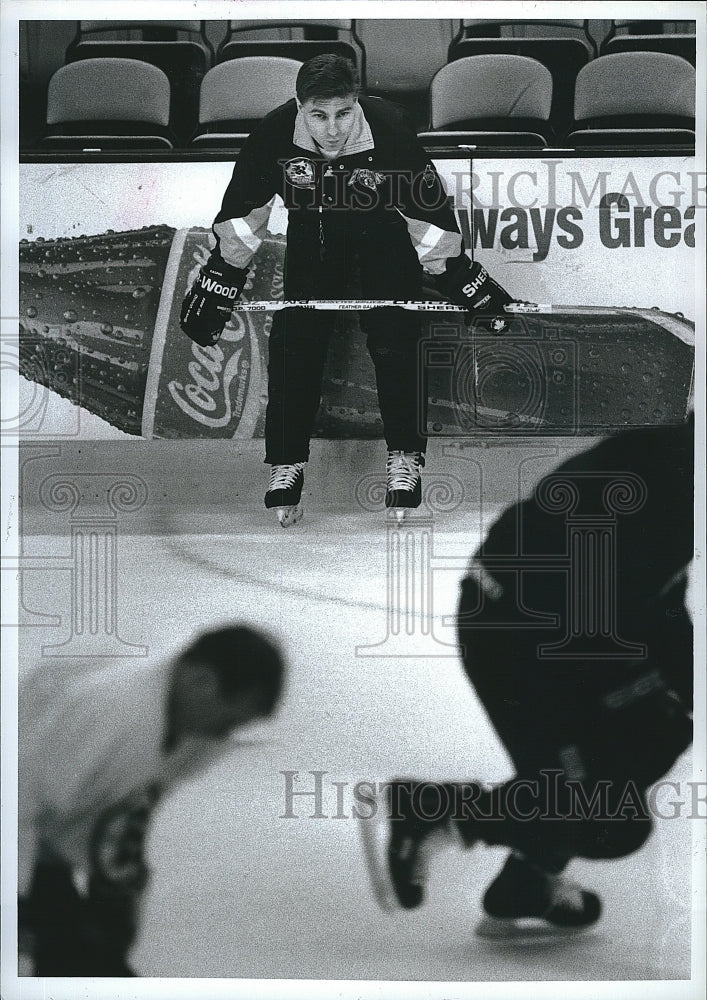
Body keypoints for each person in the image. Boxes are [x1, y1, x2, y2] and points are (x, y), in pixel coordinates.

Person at [363, 418, 694, 936]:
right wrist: (646, 692)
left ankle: (524, 880)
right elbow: (596, 625)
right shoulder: (670, 485)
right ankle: (428, 809)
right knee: (607, 813)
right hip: (518, 638)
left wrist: (676, 686)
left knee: (651, 745)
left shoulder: (678, 466)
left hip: (548, 630)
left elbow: (660, 602)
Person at [180, 54, 513, 526]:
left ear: (355, 103)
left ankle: (405, 458)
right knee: (296, 342)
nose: (332, 129)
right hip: (312, 240)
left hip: (384, 238)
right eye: (318, 115)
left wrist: (465, 280)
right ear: (299, 107)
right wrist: (220, 279)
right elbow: (242, 217)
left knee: (396, 338)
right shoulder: (274, 134)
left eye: (342, 113)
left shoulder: (391, 129)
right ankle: (286, 462)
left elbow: (430, 216)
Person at [18, 624, 285, 975]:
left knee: (102, 956)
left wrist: (119, 893)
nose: (228, 733)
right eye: (228, 719)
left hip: (55, 838)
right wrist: (18, 906)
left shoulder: (196, 728)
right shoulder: (109, 714)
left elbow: (131, 812)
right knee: (76, 958)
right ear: (201, 681)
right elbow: (17, 805)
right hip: (21, 833)